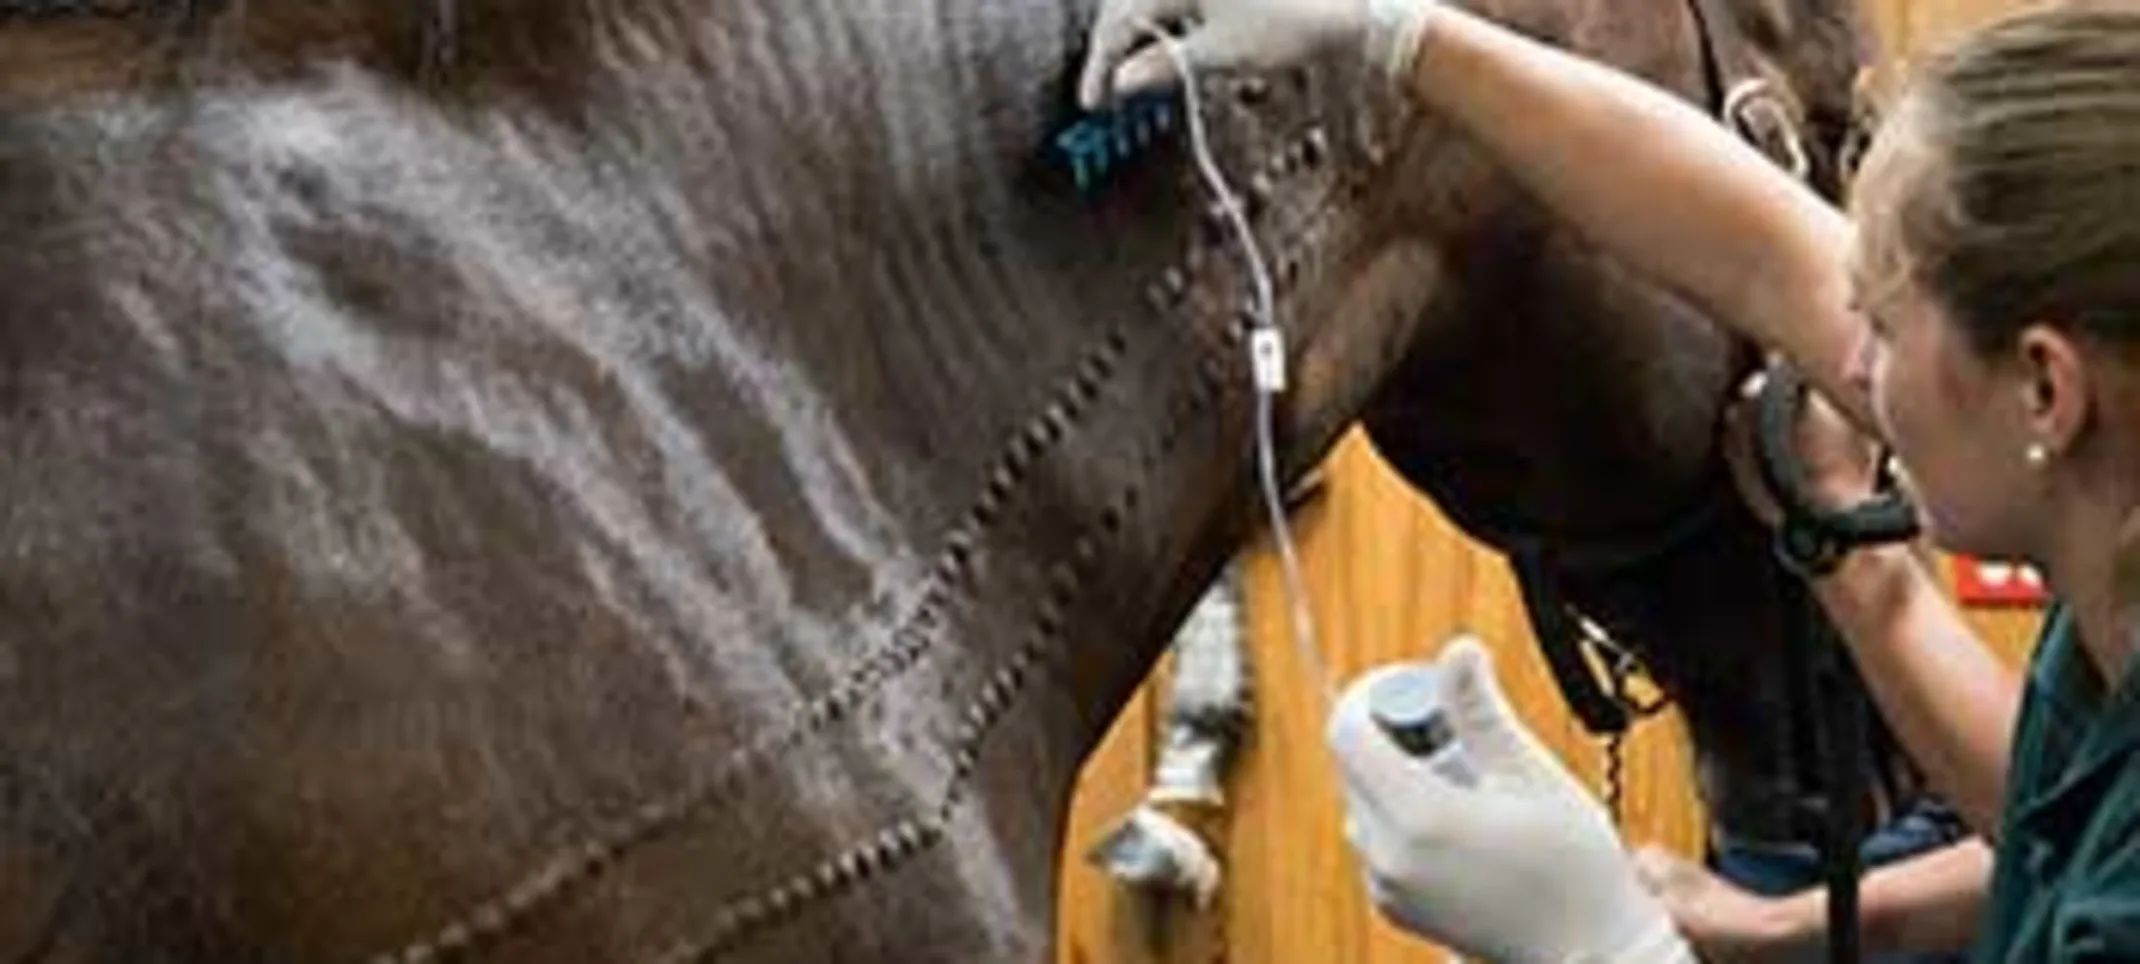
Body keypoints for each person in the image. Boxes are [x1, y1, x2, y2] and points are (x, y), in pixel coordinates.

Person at [1078, 1, 2140, 962]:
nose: (1844, 357)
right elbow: (1756, 253)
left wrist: (1606, 944)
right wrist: (1399, 38)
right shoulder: (2106, 565)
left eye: (1881, 324)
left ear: (2044, 389)